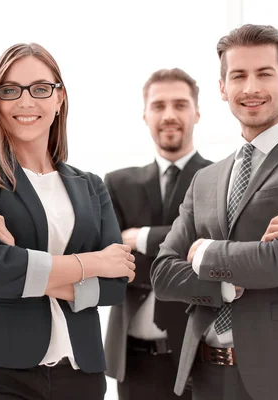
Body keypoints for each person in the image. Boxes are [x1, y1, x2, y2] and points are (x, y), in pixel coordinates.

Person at [151, 24, 278, 400]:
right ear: (222, 88)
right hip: (208, 376)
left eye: (264, 74)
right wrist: (226, 282)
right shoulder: (205, 179)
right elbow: (162, 273)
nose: (251, 88)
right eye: (238, 76)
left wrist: (204, 252)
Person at [0, 43, 136, 400]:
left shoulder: (90, 185)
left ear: (59, 98)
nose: (25, 102)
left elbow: (114, 287)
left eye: (40, 89)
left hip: (80, 371)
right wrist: (93, 263)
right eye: (10, 90)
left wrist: (21, 259)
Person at [104, 68, 212, 399]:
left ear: (197, 112)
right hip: (133, 363)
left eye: (180, 105)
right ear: (145, 114)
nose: (169, 115)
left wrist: (143, 237)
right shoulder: (117, 184)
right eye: (159, 105)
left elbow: (219, 249)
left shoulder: (219, 179)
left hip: (203, 361)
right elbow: (110, 261)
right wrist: (187, 248)